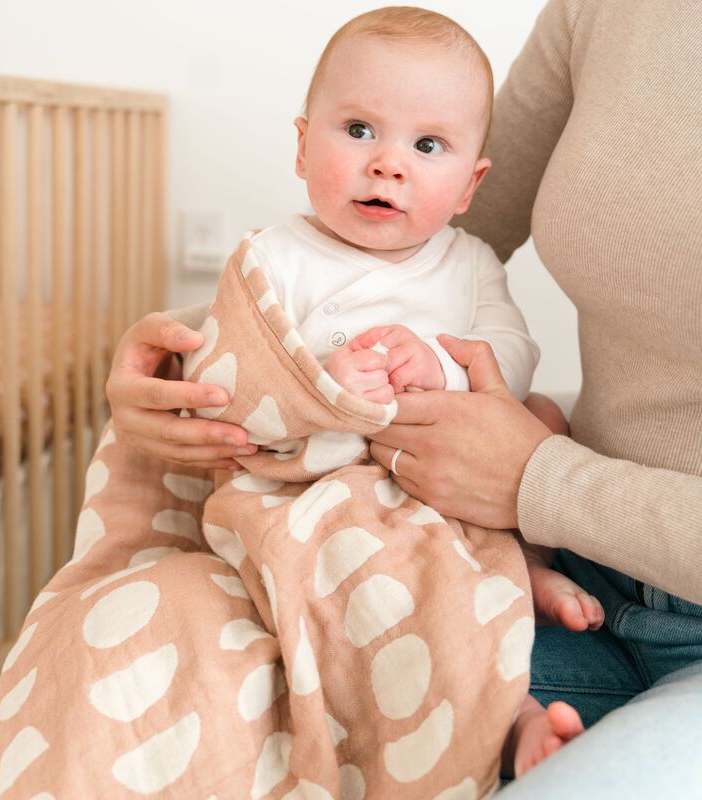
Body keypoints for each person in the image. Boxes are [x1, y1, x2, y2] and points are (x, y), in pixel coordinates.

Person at [106, 0, 702, 795]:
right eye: (358, 132)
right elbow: (376, 260)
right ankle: (529, 596)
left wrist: (502, 437)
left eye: (421, 147)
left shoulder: (475, 274)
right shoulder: (609, 12)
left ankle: (521, 693)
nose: (389, 164)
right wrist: (181, 358)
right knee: (189, 684)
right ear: (300, 141)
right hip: (576, 553)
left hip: (560, 527)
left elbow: (501, 350)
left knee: (437, 634)